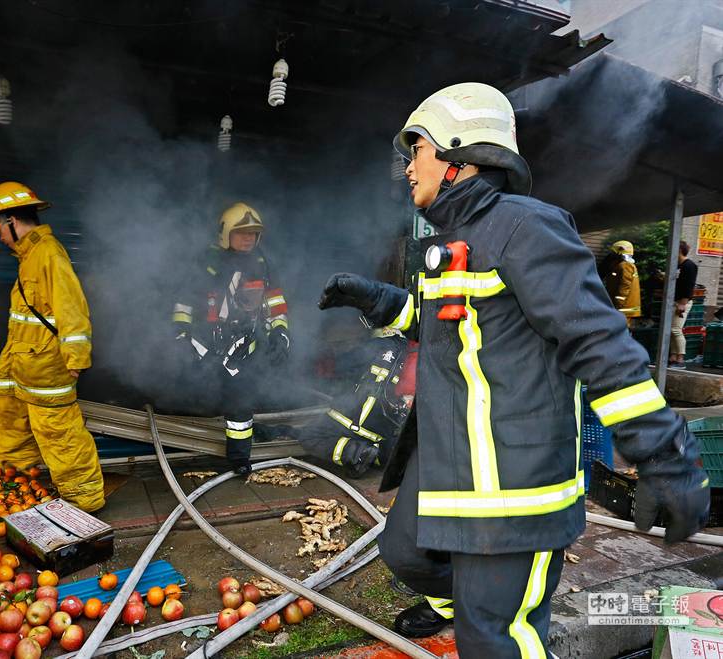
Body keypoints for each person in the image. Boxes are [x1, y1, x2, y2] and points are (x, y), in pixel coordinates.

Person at [318, 82, 709, 657]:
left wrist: (664, 457)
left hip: (511, 487)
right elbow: (444, 325)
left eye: (416, 150)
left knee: (496, 640)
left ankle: (487, 616)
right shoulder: (459, 238)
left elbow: (599, 343)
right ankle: (472, 605)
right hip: (451, 470)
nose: (407, 168)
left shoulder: (526, 228)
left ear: (457, 151)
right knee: (404, 554)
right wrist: (376, 300)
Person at [0, 181, 105, 512]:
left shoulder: (48, 253)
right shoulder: (29, 256)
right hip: (28, 368)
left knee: (61, 435)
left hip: (48, 370)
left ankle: (84, 502)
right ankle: (19, 486)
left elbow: (71, 307)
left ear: (12, 221)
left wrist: (76, 357)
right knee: (25, 428)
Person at [172, 202, 290, 474]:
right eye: (242, 232)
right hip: (205, 344)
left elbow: (275, 303)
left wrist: (281, 332)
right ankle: (187, 449)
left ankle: (239, 459)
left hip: (242, 346)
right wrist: (180, 335)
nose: (249, 238)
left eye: (254, 233)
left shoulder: (262, 265)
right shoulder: (206, 263)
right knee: (198, 396)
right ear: (226, 233)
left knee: (241, 400)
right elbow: (184, 303)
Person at [297, 329, 415, 478]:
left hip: (355, 421)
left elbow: (338, 368)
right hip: (387, 430)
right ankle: (381, 454)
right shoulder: (412, 354)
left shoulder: (375, 346)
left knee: (309, 436)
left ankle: (357, 453)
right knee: (386, 447)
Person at [670, 240, 699, 369]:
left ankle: (680, 359)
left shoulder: (689, 266)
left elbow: (689, 286)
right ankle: (673, 357)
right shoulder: (680, 266)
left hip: (682, 302)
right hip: (676, 301)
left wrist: (682, 303)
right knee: (671, 330)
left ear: (679, 250)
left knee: (676, 329)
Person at [603, 240, 642, 325]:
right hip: (623, 306)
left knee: (620, 329)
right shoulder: (622, 265)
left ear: (620, 252)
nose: (612, 254)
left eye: (614, 252)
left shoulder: (625, 265)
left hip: (623, 307)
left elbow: (625, 285)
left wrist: (618, 303)